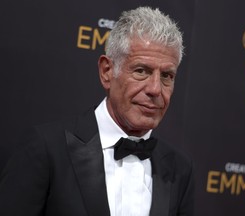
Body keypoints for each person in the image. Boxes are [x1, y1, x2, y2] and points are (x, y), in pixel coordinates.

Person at [0, 6, 194, 216]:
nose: (155, 89)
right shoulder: (46, 150)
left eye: (167, 76)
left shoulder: (179, 170)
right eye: (141, 71)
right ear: (107, 72)